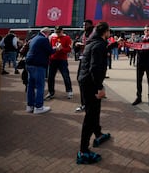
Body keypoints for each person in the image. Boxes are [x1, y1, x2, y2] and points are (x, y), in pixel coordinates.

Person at [77, 22, 111, 165]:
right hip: (90, 83)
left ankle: (98, 134)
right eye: (109, 31)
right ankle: (83, 151)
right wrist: (99, 88)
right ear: (106, 32)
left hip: (85, 81)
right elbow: (95, 68)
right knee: (90, 116)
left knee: (95, 111)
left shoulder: (94, 42)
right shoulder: (99, 45)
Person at [25, 27, 56, 114]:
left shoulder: (34, 38)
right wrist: (56, 48)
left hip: (29, 63)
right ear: (47, 33)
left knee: (30, 86)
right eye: (49, 34)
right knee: (40, 86)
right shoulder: (44, 39)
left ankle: (30, 106)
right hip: (38, 64)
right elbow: (50, 51)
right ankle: (39, 107)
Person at [132, 25, 149, 106]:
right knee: (138, 81)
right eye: (145, 30)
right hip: (140, 63)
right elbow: (136, 49)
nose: (146, 32)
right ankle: (138, 98)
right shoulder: (139, 39)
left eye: (147, 30)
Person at [45, 26, 73, 100]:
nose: (57, 34)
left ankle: (69, 91)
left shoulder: (67, 38)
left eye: (59, 32)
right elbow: (49, 48)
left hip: (62, 60)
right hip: (53, 59)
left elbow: (69, 49)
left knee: (65, 76)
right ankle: (51, 92)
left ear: (62, 31)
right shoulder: (52, 37)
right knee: (50, 77)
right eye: (56, 32)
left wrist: (62, 49)